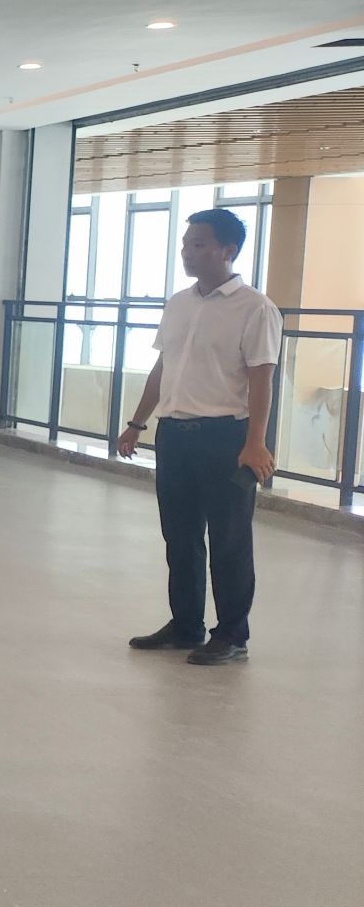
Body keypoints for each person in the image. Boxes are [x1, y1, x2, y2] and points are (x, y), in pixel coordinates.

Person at [115, 208, 280, 666]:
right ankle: (186, 625)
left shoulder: (255, 308)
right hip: (175, 435)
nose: (188, 252)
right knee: (180, 537)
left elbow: (262, 380)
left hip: (225, 437)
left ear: (228, 250)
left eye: (199, 244)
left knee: (229, 540)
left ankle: (232, 635)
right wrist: (137, 423)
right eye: (187, 244)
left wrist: (256, 441)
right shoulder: (179, 303)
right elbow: (163, 366)